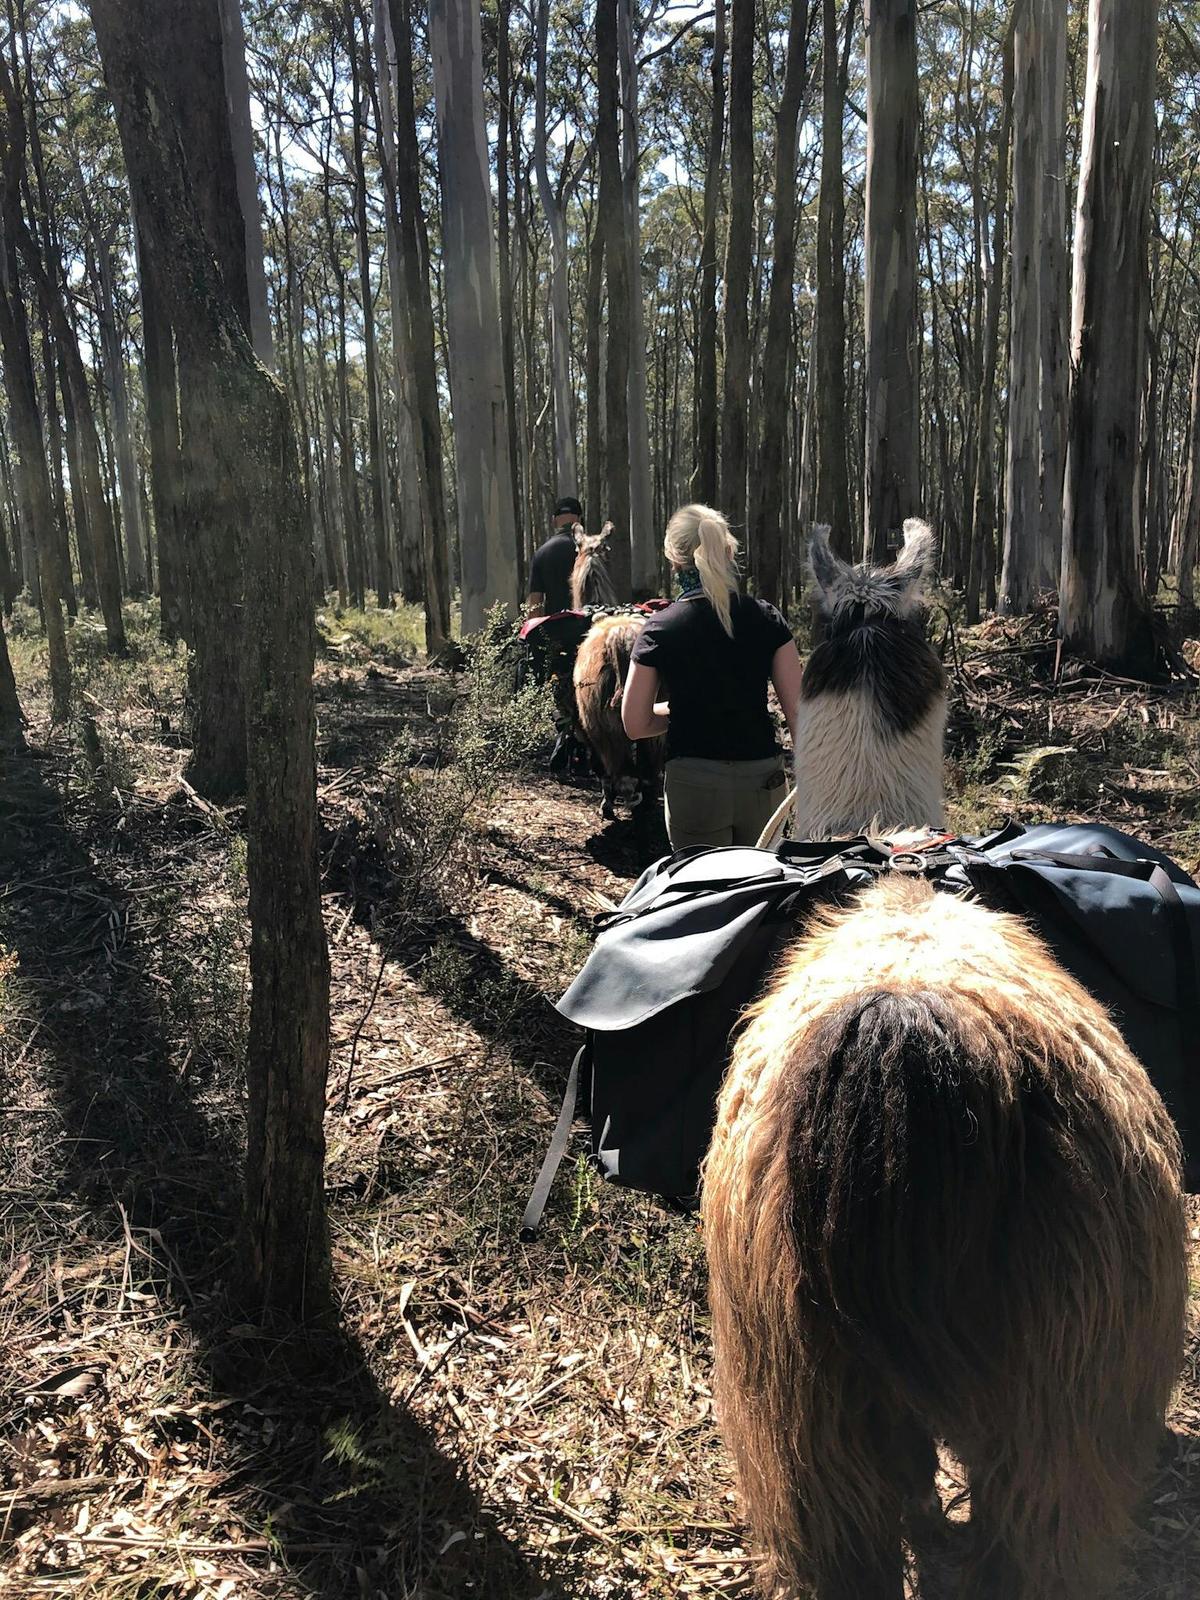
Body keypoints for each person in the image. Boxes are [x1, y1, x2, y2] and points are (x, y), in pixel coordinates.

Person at [621, 503, 802, 849]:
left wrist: (683, 709)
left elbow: (635, 723)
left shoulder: (659, 628)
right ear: (729, 551)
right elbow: (798, 713)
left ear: (674, 561)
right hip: (763, 782)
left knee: (706, 894)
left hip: (694, 785)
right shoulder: (767, 619)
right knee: (762, 893)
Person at [527, 496, 584, 616]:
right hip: (589, 627)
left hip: (556, 628)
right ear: (579, 519)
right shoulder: (590, 550)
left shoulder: (541, 553)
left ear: (553, 521)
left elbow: (535, 605)